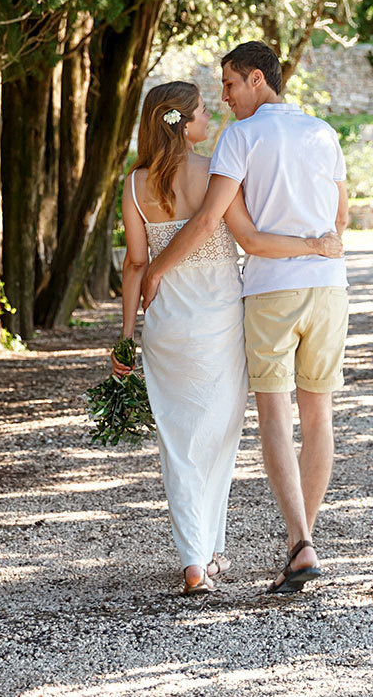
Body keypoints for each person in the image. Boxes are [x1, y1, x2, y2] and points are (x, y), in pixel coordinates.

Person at [140, 43, 348, 596]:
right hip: (329, 289)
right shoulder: (324, 133)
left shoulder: (240, 138)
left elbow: (218, 222)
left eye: (230, 85)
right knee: (320, 417)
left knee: (277, 421)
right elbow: (341, 218)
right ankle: (299, 543)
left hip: (272, 293)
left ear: (258, 79)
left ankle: (301, 542)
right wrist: (316, 243)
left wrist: (156, 270)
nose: (225, 98)